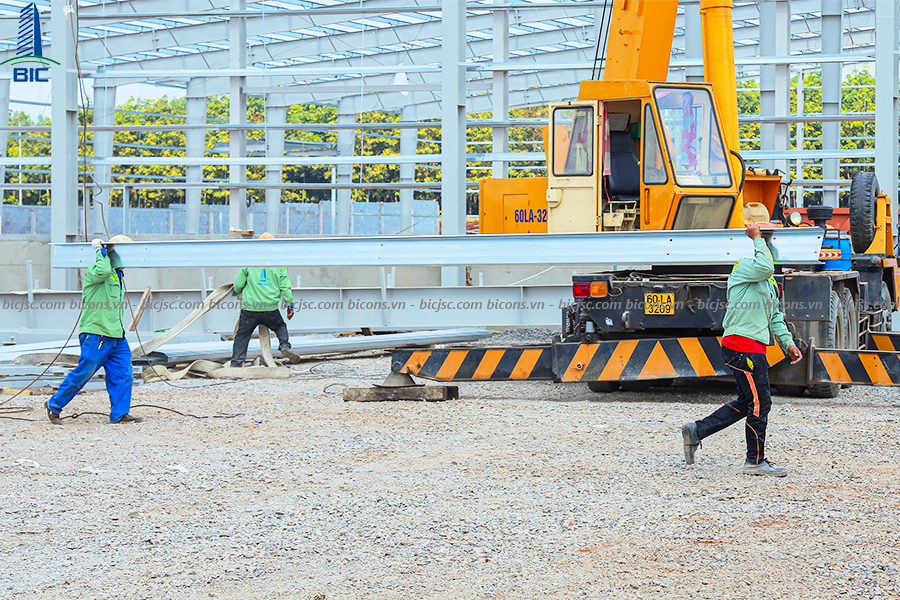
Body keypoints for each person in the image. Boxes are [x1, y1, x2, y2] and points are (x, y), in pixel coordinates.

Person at [681, 224, 803, 476]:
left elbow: (774, 318)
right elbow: (765, 266)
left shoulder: (769, 284)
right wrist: (756, 238)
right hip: (742, 346)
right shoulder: (743, 269)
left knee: (747, 401)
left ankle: (697, 430)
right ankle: (755, 461)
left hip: (753, 348)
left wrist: (788, 344)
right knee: (761, 403)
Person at [44, 235, 143, 425]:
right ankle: (53, 405)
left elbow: (111, 269)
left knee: (123, 374)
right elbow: (103, 270)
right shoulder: (94, 272)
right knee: (84, 372)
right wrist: (100, 250)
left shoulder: (117, 275)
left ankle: (119, 413)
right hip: (97, 334)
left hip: (116, 336)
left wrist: (112, 253)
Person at [230, 232, 296, 367]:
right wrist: (290, 306)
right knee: (280, 326)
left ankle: (237, 362)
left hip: (250, 309)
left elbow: (238, 284)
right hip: (270, 308)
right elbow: (285, 288)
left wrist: (236, 292)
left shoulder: (249, 262)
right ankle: (284, 345)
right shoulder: (280, 265)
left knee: (242, 335)